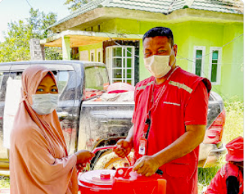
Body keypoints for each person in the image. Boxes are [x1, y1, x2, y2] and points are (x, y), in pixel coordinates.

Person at [113, 27, 211, 194]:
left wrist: (157, 160)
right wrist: (128, 141)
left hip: (175, 180)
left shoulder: (193, 86)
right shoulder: (141, 87)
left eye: (161, 51)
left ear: (174, 50)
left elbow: (196, 134)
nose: (154, 58)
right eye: (148, 53)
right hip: (143, 174)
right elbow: (137, 123)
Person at [10, 66, 94, 194]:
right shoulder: (27, 130)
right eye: (40, 89)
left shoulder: (46, 124)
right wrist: (75, 158)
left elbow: (51, 160)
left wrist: (71, 164)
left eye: (53, 89)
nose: (48, 95)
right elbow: (46, 172)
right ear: (27, 92)